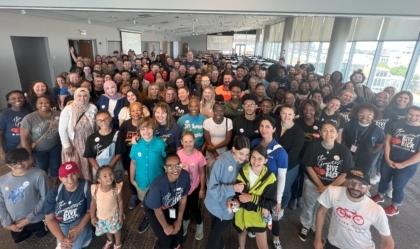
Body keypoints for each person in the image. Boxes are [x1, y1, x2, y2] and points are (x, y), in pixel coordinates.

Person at [314, 168, 394, 249]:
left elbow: (387, 241)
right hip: (333, 244)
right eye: (351, 181)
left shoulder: (376, 210)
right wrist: (317, 240)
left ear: (368, 187)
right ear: (345, 181)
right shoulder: (332, 192)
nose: (355, 187)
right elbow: (321, 212)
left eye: (361, 184)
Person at [298, 121, 352, 242]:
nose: (328, 133)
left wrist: (328, 188)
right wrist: (321, 185)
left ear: (337, 133)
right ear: (320, 132)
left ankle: (315, 227)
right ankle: (305, 225)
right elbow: (308, 166)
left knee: (322, 208)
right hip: (313, 184)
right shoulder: (314, 146)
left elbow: (345, 173)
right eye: (325, 130)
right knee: (309, 206)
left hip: (332, 187)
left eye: (332, 130)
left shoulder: (343, 151)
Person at [371, 106, 420, 216]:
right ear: (406, 113)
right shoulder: (396, 124)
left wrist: (403, 164)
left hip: (408, 165)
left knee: (398, 185)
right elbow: (387, 142)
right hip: (390, 159)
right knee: (384, 179)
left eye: (417, 115)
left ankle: (395, 206)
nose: (413, 117)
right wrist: (387, 158)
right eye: (411, 114)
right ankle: (380, 195)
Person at [205, 136, 251, 249]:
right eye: (241, 153)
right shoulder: (221, 162)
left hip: (227, 211)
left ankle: (220, 246)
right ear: (234, 149)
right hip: (214, 205)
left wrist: (238, 199)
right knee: (214, 235)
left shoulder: (246, 165)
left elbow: (245, 188)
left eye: (247, 154)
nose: (244, 158)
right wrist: (232, 188)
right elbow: (213, 189)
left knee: (215, 235)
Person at [250, 117, 288, 249]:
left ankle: (276, 238)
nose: (264, 129)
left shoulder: (280, 151)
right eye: (261, 126)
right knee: (256, 211)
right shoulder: (254, 143)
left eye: (267, 126)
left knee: (274, 217)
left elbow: (282, 177)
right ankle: (255, 229)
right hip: (255, 188)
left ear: (274, 129)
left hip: (270, 190)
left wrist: (278, 199)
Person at [0, 148, 49, 244]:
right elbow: (0, 203)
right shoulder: (2, 180)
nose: (19, 164)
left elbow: (45, 198)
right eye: (14, 163)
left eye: (23, 160)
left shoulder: (39, 175)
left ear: (29, 158)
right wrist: (6, 223)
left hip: (37, 219)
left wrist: (28, 220)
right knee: (19, 240)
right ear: (8, 165)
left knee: (42, 234)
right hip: (15, 222)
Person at [234, 144, 277, 249]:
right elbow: (240, 195)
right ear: (249, 157)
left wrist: (252, 198)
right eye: (253, 157)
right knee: (241, 233)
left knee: (262, 245)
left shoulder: (270, 178)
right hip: (242, 214)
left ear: (265, 160)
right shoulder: (243, 171)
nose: (256, 162)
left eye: (260, 159)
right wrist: (237, 200)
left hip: (258, 216)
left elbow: (270, 202)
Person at [144, 153, 190, 249]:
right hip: (154, 209)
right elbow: (157, 210)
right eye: (171, 167)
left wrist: (179, 220)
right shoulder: (157, 186)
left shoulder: (185, 176)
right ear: (165, 168)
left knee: (178, 235)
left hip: (170, 205)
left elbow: (183, 197)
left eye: (178, 165)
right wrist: (165, 226)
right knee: (165, 239)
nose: (175, 169)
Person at [129, 117, 167, 234]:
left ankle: (161, 220)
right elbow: (133, 162)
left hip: (158, 183)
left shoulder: (161, 144)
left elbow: (167, 162)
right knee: (145, 203)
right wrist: (132, 179)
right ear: (139, 130)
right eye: (143, 129)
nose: (146, 131)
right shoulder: (136, 144)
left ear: (154, 129)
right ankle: (148, 217)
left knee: (159, 203)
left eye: (149, 128)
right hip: (141, 182)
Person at [44, 162, 93, 249]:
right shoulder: (53, 193)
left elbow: (90, 212)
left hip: (79, 218)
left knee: (74, 247)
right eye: (65, 176)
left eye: (73, 174)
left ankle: (87, 234)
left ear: (78, 174)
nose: (70, 179)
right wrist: (62, 239)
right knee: (64, 246)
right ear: (60, 178)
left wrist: (76, 231)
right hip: (62, 222)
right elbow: (49, 219)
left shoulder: (87, 186)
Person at [20, 96, 61, 185]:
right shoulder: (29, 118)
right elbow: (24, 139)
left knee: (55, 166)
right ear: (36, 105)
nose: (44, 105)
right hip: (38, 149)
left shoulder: (58, 114)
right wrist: (29, 156)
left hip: (55, 146)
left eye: (46, 102)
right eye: (40, 103)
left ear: (50, 104)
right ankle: (43, 186)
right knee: (41, 169)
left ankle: (54, 184)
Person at [59, 88, 97, 182]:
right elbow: (62, 129)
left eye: (85, 95)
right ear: (75, 96)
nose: (82, 98)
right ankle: (77, 187)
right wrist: (67, 146)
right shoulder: (68, 109)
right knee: (75, 166)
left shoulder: (92, 107)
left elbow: (96, 125)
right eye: (79, 96)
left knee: (89, 165)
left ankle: (88, 186)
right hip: (74, 143)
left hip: (89, 141)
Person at [291, 99, 322, 210]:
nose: (308, 111)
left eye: (311, 109)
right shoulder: (297, 122)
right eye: (305, 109)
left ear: (316, 111)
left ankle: (300, 196)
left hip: (312, 158)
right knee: (295, 178)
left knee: (307, 180)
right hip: (297, 156)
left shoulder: (320, 125)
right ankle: (294, 197)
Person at [177, 131, 206, 240]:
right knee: (183, 207)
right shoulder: (178, 154)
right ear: (181, 142)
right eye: (185, 141)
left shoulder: (199, 156)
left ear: (194, 141)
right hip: (181, 188)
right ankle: (186, 220)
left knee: (194, 208)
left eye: (190, 141)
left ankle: (200, 224)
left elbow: (202, 173)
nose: (188, 144)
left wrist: (202, 189)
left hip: (193, 187)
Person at [83, 110, 125, 183]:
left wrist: (109, 168)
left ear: (110, 118)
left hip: (114, 168)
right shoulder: (91, 138)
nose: (103, 122)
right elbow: (90, 156)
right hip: (98, 168)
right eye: (100, 120)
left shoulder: (118, 135)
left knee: (117, 188)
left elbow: (119, 153)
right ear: (96, 122)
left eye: (105, 119)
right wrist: (99, 170)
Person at [276, 105, 305, 211]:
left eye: (289, 114)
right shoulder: (275, 126)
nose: (286, 116)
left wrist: (279, 164)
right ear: (280, 114)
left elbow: (294, 153)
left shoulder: (298, 132)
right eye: (284, 113)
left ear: (294, 116)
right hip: (274, 163)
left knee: (284, 189)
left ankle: (281, 208)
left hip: (290, 164)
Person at [342, 103, 385, 173]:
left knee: (358, 179)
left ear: (373, 117)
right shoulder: (348, 125)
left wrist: (369, 153)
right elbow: (343, 138)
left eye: (369, 116)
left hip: (364, 160)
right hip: (347, 156)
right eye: (361, 114)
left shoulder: (378, 131)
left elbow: (379, 145)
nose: (364, 118)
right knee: (344, 175)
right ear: (357, 114)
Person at [90, 166, 124, 249]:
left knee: (116, 230)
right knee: (106, 229)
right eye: (104, 176)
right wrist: (92, 216)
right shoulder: (95, 188)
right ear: (99, 180)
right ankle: (110, 240)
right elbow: (93, 203)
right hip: (101, 216)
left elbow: (120, 201)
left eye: (110, 174)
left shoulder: (116, 188)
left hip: (113, 215)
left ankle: (118, 243)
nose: (109, 177)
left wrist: (120, 215)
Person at [119, 102, 143, 209]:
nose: (136, 113)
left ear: (142, 111)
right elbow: (121, 140)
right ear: (129, 112)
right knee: (131, 175)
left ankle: (143, 195)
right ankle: (134, 194)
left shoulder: (145, 123)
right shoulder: (125, 124)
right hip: (129, 155)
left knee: (142, 174)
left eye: (138, 110)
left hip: (143, 155)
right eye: (133, 110)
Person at [203, 101, 233, 179]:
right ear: (213, 111)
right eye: (216, 110)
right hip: (210, 153)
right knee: (210, 174)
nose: (218, 113)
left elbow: (227, 140)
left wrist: (214, 148)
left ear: (224, 111)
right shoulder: (207, 122)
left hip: (223, 152)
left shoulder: (228, 122)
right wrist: (214, 152)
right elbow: (208, 140)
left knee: (222, 174)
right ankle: (209, 189)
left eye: (221, 111)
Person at [0, 90, 30, 160]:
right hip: (10, 149)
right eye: (13, 98)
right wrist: (1, 152)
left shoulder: (28, 112)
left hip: (26, 146)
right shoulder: (4, 115)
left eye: (20, 97)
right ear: (9, 101)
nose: (17, 100)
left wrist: (22, 144)